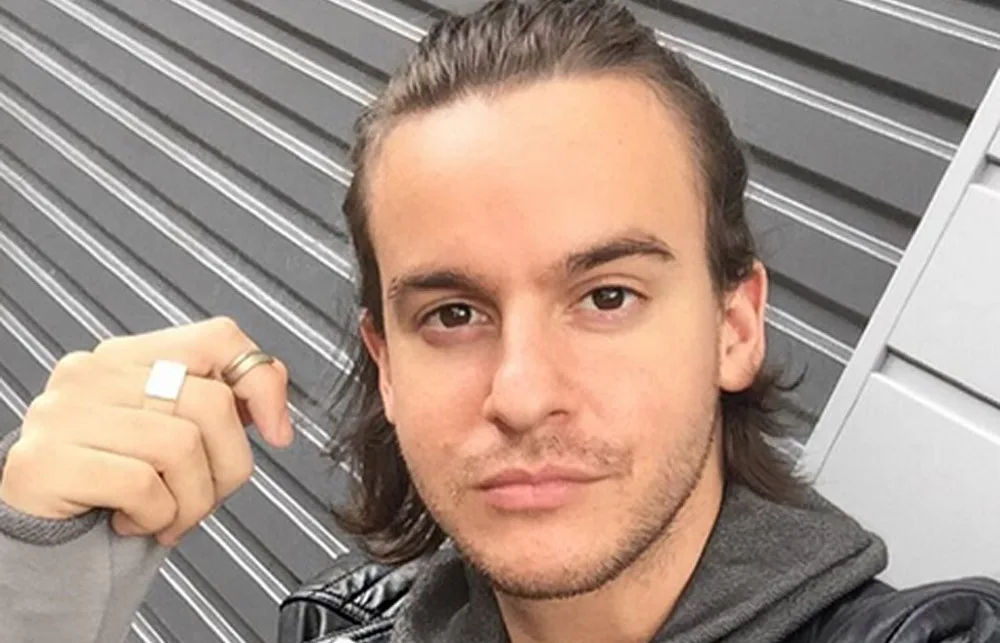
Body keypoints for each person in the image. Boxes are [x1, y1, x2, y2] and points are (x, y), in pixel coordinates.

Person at [0, 0, 998, 641]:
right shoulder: (348, 625)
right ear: (384, 366)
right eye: (453, 313)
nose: (521, 393)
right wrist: (33, 605)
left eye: (607, 295)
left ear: (736, 326)